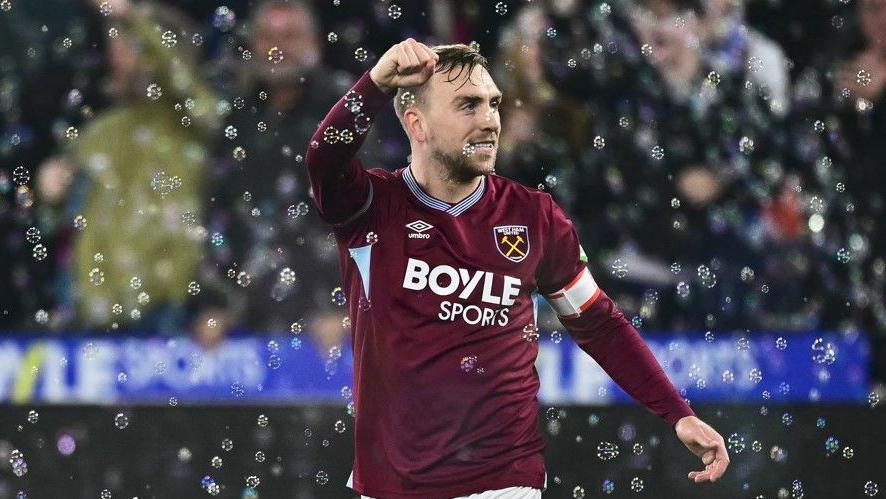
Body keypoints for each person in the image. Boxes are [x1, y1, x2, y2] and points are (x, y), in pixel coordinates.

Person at [304, 38, 729, 498]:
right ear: (416, 124)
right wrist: (376, 83)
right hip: (391, 485)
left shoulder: (534, 216)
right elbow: (323, 159)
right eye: (468, 105)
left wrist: (677, 413)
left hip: (505, 482)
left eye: (493, 104)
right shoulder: (371, 206)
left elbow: (598, 322)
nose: (489, 120)